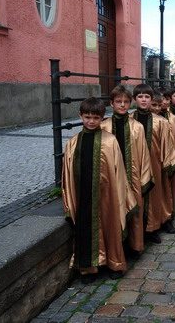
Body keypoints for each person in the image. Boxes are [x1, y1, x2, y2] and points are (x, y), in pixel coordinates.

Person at [61, 97, 136, 282]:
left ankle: (114, 263)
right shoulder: (73, 143)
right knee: (85, 228)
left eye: (95, 117)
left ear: (102, 118)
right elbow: (67, 174)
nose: (91, 121)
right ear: (81, 116)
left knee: (111, 225)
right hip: (83, 194)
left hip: (108, 194)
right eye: (87, 117)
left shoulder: (110, 141)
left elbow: (118, 171)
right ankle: (88, 268)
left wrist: (121, 195)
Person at [101, 85, 153, 257]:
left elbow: (144, 155)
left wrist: (145, 179)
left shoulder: (137, 127)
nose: (122, 105)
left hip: (133, 176)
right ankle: (116, 249)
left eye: (125, 102)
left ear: (130, 103)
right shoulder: (104, 127)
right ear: (111, 103)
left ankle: (134, 245)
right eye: (118, 102)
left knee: (134, 209)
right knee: (113, 211)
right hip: (111, 176)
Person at [132, 84, 175, 244]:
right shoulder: (130, 120)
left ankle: (157, 224)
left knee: (157, 192)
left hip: (156, 164)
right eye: (140, 96)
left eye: (147, 97)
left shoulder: (161, 122)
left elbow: (168, 145)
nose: (144, 100)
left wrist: (169, 164)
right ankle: (139, 229)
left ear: (151, 99)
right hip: (135, 165)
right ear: (135, 99)